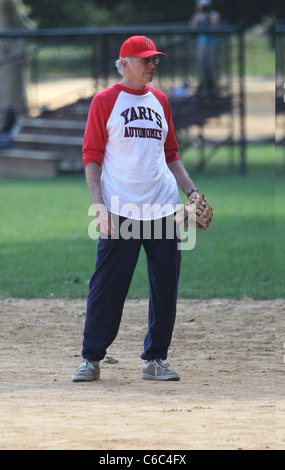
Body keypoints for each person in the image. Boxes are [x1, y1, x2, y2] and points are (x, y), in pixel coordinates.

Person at [72, 35, 199, 383]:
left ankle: (155, 359)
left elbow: (171, 154)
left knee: (165, 286)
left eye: (154, 59)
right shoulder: (105, 101)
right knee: (107, 285)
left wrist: (191, 192)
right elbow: (92, 157)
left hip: (164, 209)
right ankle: (91, 358)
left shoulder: (160, 100)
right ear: (125, 63)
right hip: (120, 210)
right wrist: (98, 205)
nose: (152, 65)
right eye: (145, 60)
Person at [189, 0, 220, 97]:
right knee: (201, 66)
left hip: (212, 44)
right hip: (201, 44)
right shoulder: (198, 16)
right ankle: (205, 88)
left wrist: (207, 15)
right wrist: (198, 14)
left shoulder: (215, 15)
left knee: (212, 66)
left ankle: (214, 88)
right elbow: (192, 27)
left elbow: (213, 24)